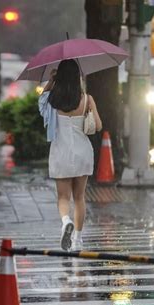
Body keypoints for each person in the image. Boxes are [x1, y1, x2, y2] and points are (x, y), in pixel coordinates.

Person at [38, 59, 102, 251]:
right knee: (80, 197)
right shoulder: (87, 99)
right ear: (77, 77)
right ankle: (78, 239)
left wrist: (51, 81)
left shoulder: (52, 101)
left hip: (60, 152)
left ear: (60, 76)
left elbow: (40, 102)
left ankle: (66, 221)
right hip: (83, 152)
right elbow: (98, 126)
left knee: (63, 197)